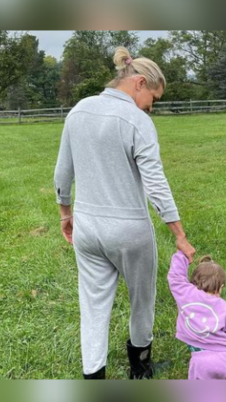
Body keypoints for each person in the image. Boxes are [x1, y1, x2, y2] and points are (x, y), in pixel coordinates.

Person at [53, 47, 196, 379]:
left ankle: (94, 377)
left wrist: (65, 214)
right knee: (141, 300)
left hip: (87, 228)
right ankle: (140, 367)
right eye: (153, 99)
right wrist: (180, 236)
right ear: (139, 83)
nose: (151, 106)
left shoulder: (78, 111)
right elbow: (156, 184)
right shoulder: (137, 120)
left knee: (92, 304)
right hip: (131, 232)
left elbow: (62, 174)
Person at [167, 251, 226, 379]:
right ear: (221, 287)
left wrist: (182, 255)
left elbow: (175, 277)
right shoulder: (223, 306)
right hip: (225, 357)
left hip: (199, 359)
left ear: (193, 282)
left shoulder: (185, 294)